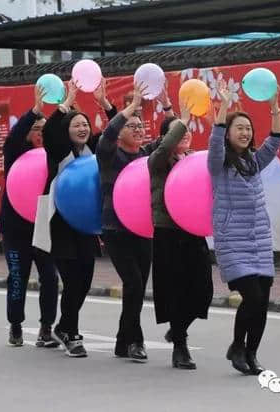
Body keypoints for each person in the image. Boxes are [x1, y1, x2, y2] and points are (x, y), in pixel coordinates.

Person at [208, 80, 280, 375]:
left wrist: (274, 107)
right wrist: (225, 105)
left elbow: (276, 139)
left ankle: (251, 354)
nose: (245, 132)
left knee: (262, 301)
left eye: (248, 128)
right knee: (251, 296)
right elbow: (214, 142)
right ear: (227, 133)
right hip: (232, 240)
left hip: (259, 240)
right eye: (238, 127)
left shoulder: (254, 161)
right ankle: (237, 347)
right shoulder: (219, 164)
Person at [39, 79, 117, 358]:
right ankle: (70, 332)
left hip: (86, 224)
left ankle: (65, 326)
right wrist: (67, 100)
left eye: (85, 124)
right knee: (72, 280)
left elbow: (115, 130)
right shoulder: (58, 152)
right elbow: (48, 131)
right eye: (76, 125)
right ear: (67, 131)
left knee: (84, 280)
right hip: (61, 224)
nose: (83, 129)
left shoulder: (93, 150)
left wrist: (105, 104)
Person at [96, 83, 163, 363]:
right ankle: (135, 340)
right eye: (131, 125)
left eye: (140, 125)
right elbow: (108, 133)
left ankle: (122, 341)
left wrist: (170, 105)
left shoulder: (147, 156)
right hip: (116, 230)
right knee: (134, 283)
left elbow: (170, 135)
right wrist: (130, 107)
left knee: (135, 288)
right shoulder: (110, 155)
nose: (138, 129)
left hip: (143, 229)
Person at [148, 96, 213, 370]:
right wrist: (181, 119)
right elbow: (163, 149)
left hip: (194, 232)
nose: (185, 135)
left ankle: (177, 330)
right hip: (168, 232)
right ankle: (180, 345)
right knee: (175, 290)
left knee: (203, 291)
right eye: (178, 132)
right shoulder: (157, 162)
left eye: (187, 132)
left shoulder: (195, 161)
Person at [0, 86, 60, 348]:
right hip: (15, 228)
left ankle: (46, 329)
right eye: (37, 129)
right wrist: (34, 111)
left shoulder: (53, 156)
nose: (42, 134)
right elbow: (12, 138)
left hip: (44, 227)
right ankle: (15, 325)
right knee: (17, 276)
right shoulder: (15, 153)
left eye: (45, 130)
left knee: (50, 277)